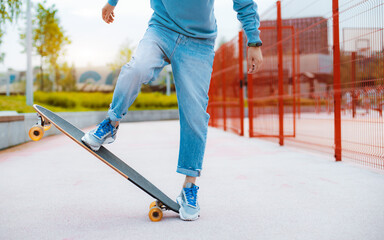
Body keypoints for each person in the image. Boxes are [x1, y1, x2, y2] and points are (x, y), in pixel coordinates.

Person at [82, 0, 263, 221]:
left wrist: (253, 41)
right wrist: (112, 3)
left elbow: (243, 2)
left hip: (199, 43)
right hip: (161, 29)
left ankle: (189, 187)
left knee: (195, 113)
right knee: (136, 69)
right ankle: (111, 123)